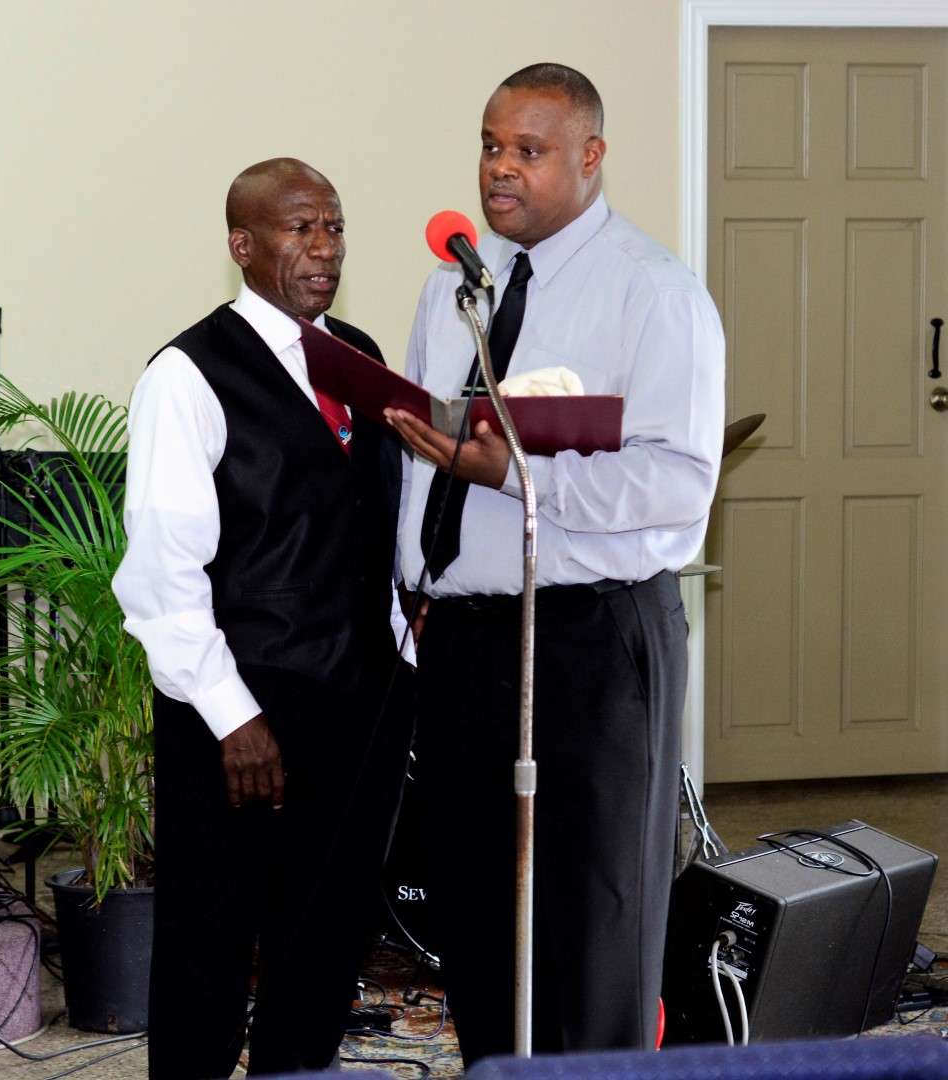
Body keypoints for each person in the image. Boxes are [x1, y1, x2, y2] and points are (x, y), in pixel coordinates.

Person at [386, 64, 724, 1064]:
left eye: (527, 151)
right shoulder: (452, 287)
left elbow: (678, 484)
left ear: (590, 156)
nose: (501, 169)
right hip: (462, 641)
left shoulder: (653, 293)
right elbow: (422, 457)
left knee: (593, 917)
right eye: (491, 146)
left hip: (593, 637)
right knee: (474, 911)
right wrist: (411, 586)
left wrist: (517, 475)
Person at [112, 157, 414, 1078]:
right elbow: (163, 573)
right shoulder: (188, 374)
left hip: (359, 701)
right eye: (300, 229)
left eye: (335, 228)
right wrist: (232, 716)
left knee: (325, 938)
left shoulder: (358, 357)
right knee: (209, 944)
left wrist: (405, 655)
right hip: (241, 709)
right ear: (242, 245)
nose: (324, 248)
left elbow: (374, 519)